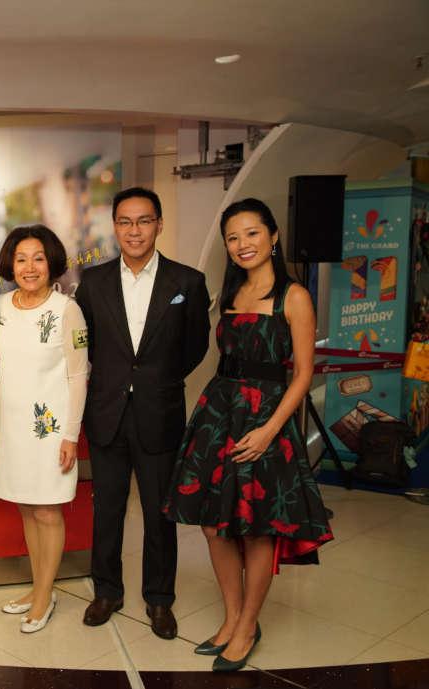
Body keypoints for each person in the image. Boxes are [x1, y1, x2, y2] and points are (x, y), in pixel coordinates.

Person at [163, 198, 333, 672]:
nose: (242, 244)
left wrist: (268, 431)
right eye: (233, 237)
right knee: (213, 524)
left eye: (252, 233)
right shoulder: (231, 292)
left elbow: (303, 374)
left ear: (273, 236)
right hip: (220, 412)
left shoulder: (293, 297)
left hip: (266, 419)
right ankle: (234, 618)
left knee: (257, 527)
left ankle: (247, 624)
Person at [74, 187, 210, 640]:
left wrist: (157, 379)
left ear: (159, 225)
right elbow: (85, 345)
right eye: (125, 222)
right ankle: (106, 591)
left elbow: (194, 346)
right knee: (107, 510)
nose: (135, 231)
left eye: (144, 221)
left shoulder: (187, 282)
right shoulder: (92, 283)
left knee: (159, 513)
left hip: (159, 411)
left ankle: (159, 598)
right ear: (115, 226)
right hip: (107, 412)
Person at [0, 225, 88, 633]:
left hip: (50, 429)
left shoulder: (67, 310)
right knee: (27, 508)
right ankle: (37, 585)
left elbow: (79, 375)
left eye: (39, 259)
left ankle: (46, 594)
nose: (30, 268)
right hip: (12, 426)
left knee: (47, 510)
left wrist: (71, 434)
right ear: (10, 264)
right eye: (21, 259)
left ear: (52, 263)